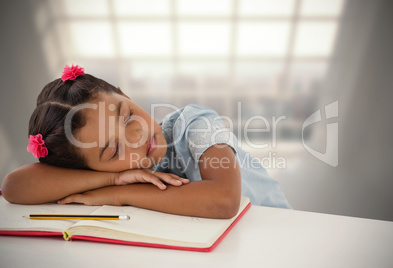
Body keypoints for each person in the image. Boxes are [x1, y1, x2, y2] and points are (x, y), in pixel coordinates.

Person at [1, 64, 290, 219]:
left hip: (279, 230)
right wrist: (114, 180)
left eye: (127, 116)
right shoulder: (112, 173)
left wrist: (120, 195)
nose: (136, 136)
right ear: (92, 169)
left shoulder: (194, 123)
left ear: (124, 94)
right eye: (114, 150)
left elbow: (224, 200)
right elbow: (13, 187)